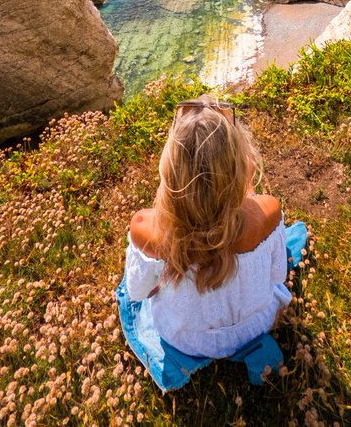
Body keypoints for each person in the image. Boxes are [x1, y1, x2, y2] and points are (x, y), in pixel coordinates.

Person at [119, 97, 305, 386]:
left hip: (185, 337)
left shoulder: (148, 230)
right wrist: (247, 194)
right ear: (239, 166)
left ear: (171, 172)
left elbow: (137, 291)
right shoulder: (266, 212)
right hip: (257, 324)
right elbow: (277, 276)